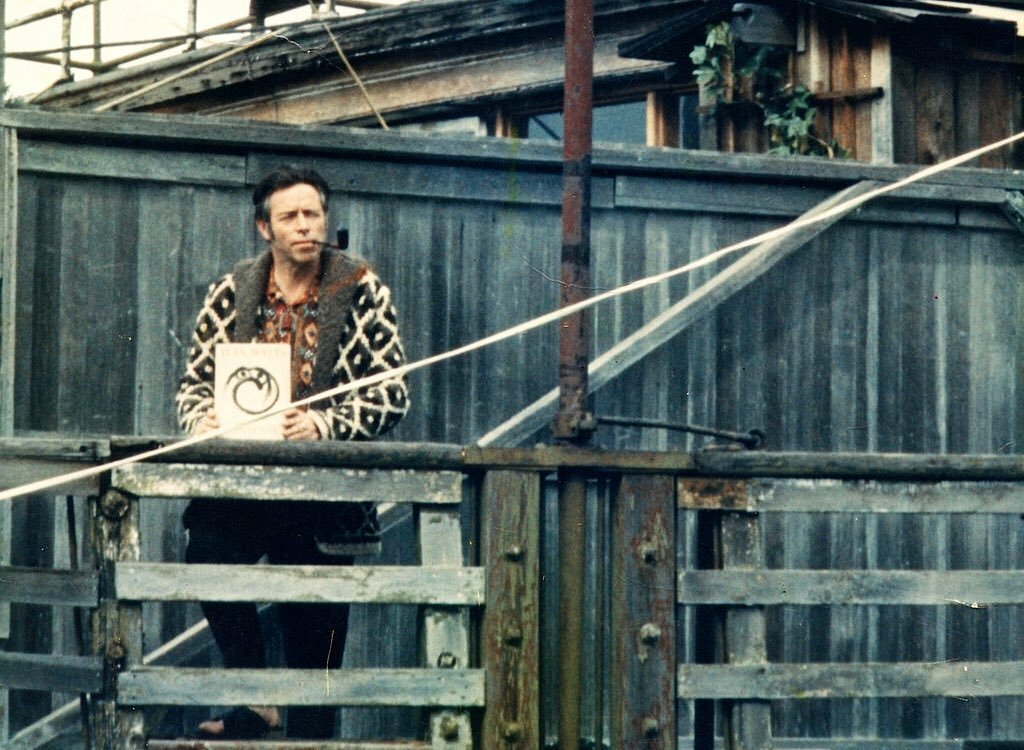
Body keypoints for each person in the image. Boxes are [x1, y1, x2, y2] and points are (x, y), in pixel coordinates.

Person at [175, 165, 409, 739]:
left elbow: (394, 392)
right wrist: (200, 419)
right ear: (264, 228)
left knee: (317, 649)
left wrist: (325, 424)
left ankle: (311, 736)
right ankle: (254, 698)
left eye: (314, 214)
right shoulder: (231, 291)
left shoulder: (361, 289)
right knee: (206, 550)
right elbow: (194, 385)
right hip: (249, 485)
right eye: (291, 217)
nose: (306, 227)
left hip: (326, 496)